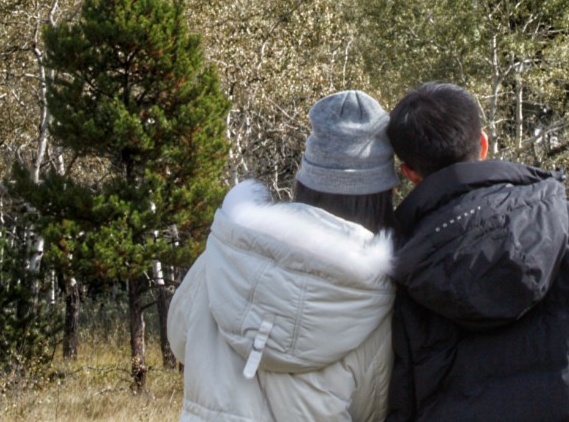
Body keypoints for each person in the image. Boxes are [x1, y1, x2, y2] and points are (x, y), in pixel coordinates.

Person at [384, 82, 569, 422]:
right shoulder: (566, 223)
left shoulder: (402, 262)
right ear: (482, 144)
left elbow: (401, 390)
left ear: (409, 173)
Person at [167, 89, 399, 422]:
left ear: (303, 182)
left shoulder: (226, 252)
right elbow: (373, 409)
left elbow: (179, 339)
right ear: (385, 195)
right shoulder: (374, 300)